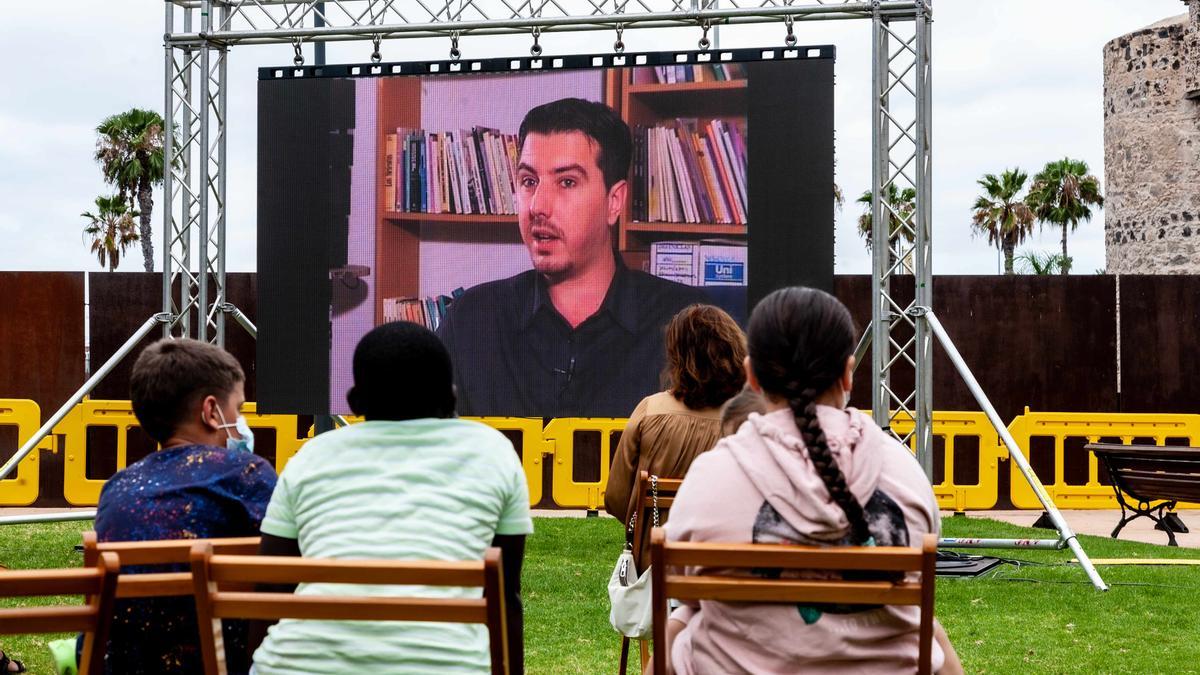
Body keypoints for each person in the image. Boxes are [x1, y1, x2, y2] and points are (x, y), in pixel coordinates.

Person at [661, 287, 963, 675]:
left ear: (751, 375)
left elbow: (684, 590)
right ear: (848, 373)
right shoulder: (905, 473)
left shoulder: (710, 478)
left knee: (683, 620)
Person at [252, 321, 533, 673]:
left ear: (355, 402)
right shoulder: (494, 452)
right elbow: (505, 595)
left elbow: (269, 590)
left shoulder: (311, 456)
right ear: (452, 396)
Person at [437, 97, 709, 418]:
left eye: (567, 182)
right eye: (529, 181)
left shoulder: (691, 330)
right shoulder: (470, 321)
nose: (538, 206)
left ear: (614, 201)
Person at [93, 338, 277, 675]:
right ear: (210, 412)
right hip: (221, 663)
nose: (240, 421)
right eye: (239, 408)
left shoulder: (116, 488)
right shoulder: (249, 475)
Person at [604, 304, 746, 570]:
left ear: (677, 356)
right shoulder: (750, 422)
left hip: (655, 566)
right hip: (726, 569)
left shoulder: (650, 411)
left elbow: (616, 498)